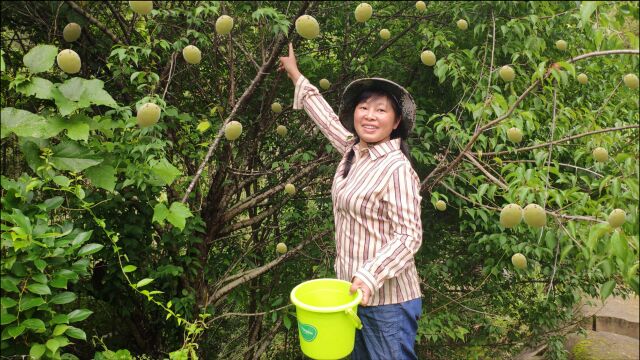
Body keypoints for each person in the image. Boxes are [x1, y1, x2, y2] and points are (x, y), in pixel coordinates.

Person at [279, 43, 423, 360]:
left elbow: (408, 236)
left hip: (388, 303)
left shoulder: (396, 169)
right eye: (364, 107)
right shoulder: (353, 152)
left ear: (396, 121)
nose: (370, 116)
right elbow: (327, 120)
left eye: (382, 109)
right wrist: (296, 75)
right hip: (351, 297)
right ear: (355, 113)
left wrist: (369, 275)